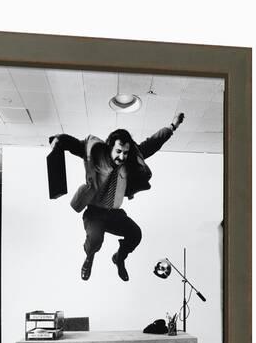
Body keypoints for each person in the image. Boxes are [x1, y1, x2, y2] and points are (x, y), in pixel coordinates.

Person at [49, 113, 184, 281]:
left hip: (114, 214)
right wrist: (59, 140)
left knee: (136, 234)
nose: (122, 157)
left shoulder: (130, 161)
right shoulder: (96, 154)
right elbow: (75, 145)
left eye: (125, 153)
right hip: (94, 213)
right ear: (109, 147)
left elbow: (152, 144)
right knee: (96, 240)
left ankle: (119, 258)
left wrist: (172, 127)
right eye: (118, 151)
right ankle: (89, 257)